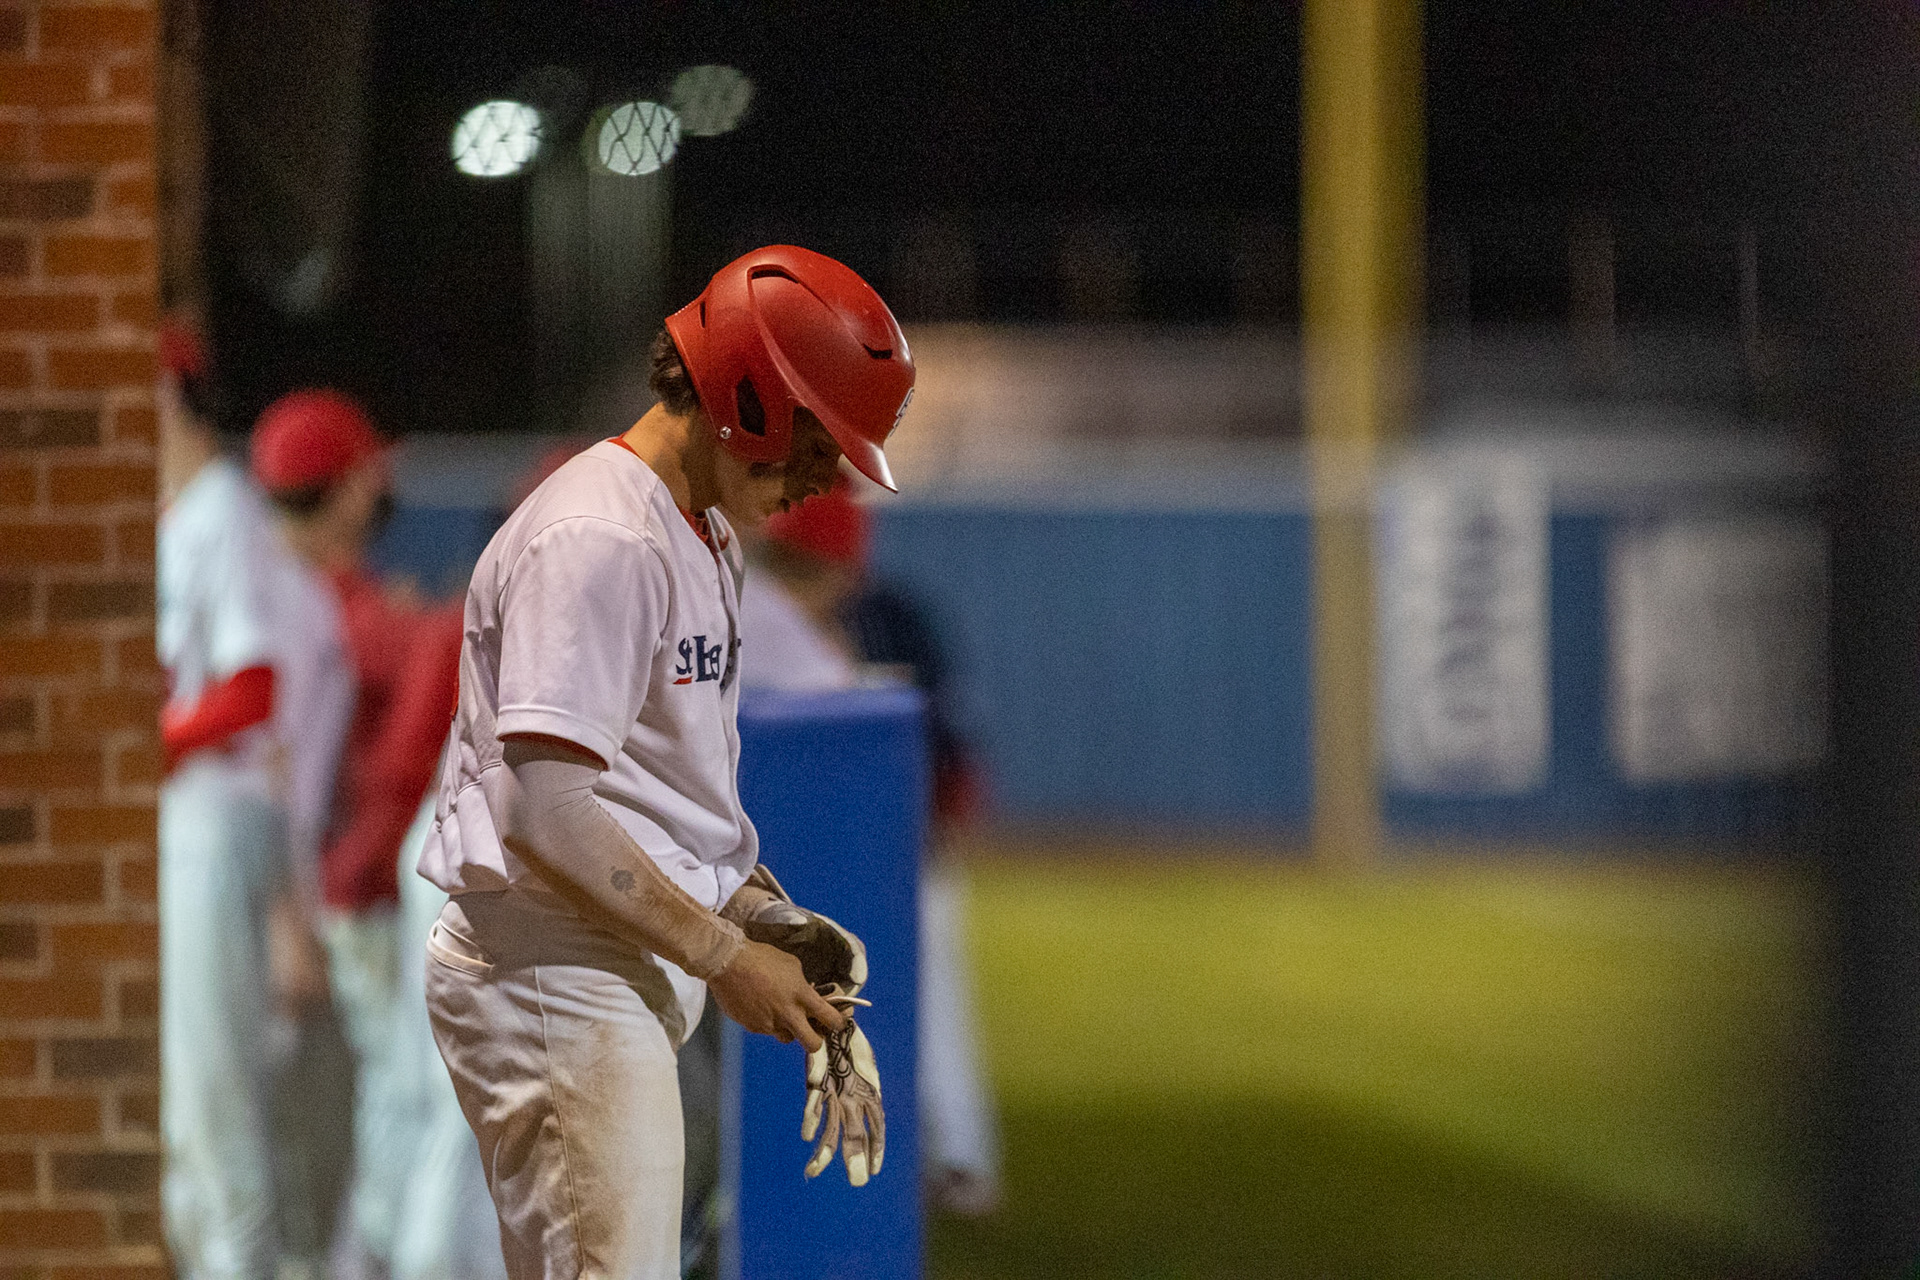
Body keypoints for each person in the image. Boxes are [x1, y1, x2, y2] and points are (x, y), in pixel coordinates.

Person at [417, 245, 915, 1279]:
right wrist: (727, 954)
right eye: (820, 440)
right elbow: (546, 809)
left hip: (604, 957)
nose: (827, 479)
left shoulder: (695, 529)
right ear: (753, 397)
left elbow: (645, 787)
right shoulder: (602, 533)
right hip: (555, 963)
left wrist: (741, 904)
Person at [247, 389, 470, 1277]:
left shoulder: (287, 589)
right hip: (323, 894)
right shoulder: (327, 607)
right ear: (343, 489)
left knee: (343, 1130)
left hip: (304, 891)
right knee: (379, 1121)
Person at [743, 480, 1003, 1215]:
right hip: (793, 867)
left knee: (924, 1003)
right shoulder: (757, 620)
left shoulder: (890, 618)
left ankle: (952, 1160)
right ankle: (885, 1168)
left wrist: (944, 832)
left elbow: (949, 748)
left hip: (888, 851)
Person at [157, 321, 356, 1280]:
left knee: (224, 1129)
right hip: (217, 832)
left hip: (228, 829)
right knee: (201, 1133)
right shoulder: (189, 518)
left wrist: (288, 906)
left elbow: (255, 703)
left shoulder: (221, 512)